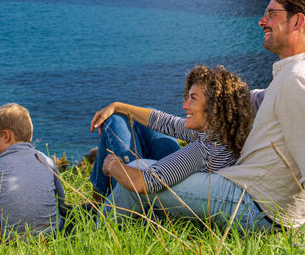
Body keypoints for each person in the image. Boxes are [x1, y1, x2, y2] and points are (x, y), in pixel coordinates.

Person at [117, 0, 305, 234]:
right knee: (150, 156)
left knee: (138, 171)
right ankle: (140, 222)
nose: (262, 21)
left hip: (256, 205)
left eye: (272, 14)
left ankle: (92, 230)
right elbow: (252, 102)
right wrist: (209, 99)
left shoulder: (298, 80)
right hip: (267, 203)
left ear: (297, 21)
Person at [90, 65, 256, 218]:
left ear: (213, 107)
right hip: (177, 186)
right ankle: (98, 202)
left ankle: (99, 209)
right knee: (133, 116)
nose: (185, 105)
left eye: (193, 99)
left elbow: (143, 183)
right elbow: (164, 122)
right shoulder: (220, 135)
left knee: (115, 122)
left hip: (157, 208)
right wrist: (118, 105)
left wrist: (112, 165)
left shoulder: (203, 151)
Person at [0, 103, 66, 238]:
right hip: (50, 233)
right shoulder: (46, 160)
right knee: (59, 216)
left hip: (8, 236)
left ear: (6, 136)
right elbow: (61, 201)